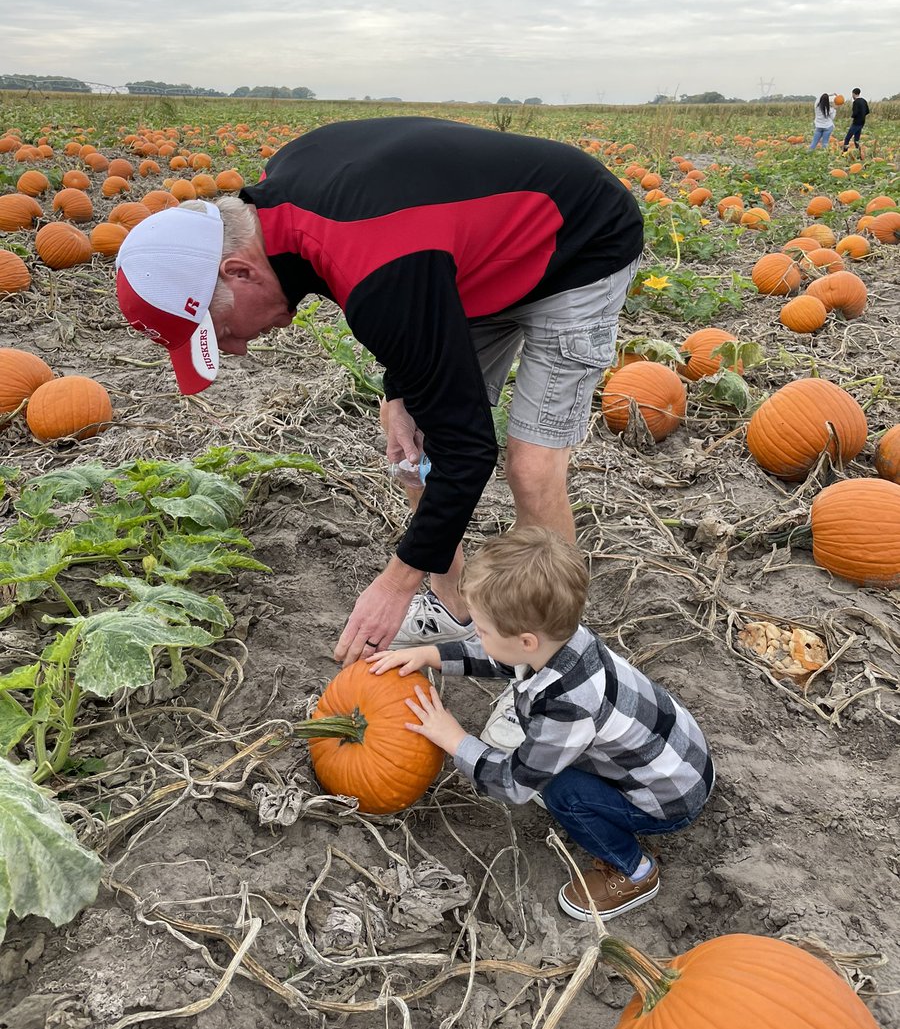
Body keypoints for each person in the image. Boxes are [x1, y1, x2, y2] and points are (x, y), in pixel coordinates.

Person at [114, 117, 644, 668]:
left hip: (577, 238)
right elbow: (411, 261)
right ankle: (457, 607)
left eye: (221, 331)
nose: (239, 348)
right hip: (462, 262)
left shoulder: (372, 267)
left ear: (239, 270)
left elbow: (469, 447)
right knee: (415, 448)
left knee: (531, 467)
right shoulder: (280, 208)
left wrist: (395, 583)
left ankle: (557, 664)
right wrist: (399, 393)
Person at [367, 527, 714, 921]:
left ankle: (634, 871)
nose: (477, 636)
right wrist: (430, 654)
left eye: (481, 629)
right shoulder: (565, 640)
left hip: (668, 801)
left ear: (527, 640)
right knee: (551, 761)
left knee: (561, 791)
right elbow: (499, 655)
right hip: (684, 760)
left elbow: (514, 784)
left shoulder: (568, 706)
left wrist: (454, 738)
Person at [842, 88, 870, 156]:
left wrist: (852, 117)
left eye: (852, 94)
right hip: (862, 122)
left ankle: (844, 153)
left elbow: (855, 113)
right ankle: (859, 153)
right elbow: (867, 111)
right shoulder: (864, 101)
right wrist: (862, 116)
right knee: (856, 138)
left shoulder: (856, 102)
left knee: (847, 138)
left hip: (856, 122)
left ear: (854, 94)